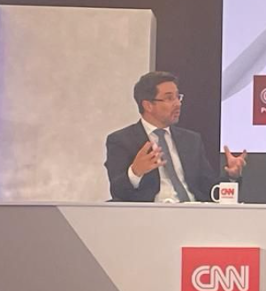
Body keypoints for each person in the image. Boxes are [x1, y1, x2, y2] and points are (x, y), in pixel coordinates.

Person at [105, 71, 246, 202]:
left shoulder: (191, 140)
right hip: (150, 215)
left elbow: (208, 188)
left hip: (192, 212)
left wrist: (232, 177)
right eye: (169, 98)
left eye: (178, 97)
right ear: (148, 105)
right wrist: (135, 172)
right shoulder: (122, 141)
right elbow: (118, 192)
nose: (177, 104)